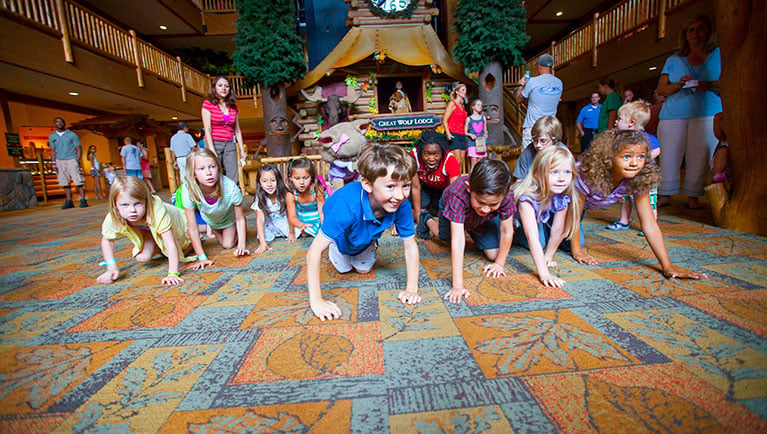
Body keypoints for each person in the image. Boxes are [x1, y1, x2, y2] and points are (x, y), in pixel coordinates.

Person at [568, 130, 707, 280]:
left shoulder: (637, 178)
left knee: (568, 239)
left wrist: (667, 267)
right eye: (627, 156)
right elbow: (574, 214)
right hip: (553, 205)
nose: (635, 163)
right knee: (555, 242)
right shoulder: (588, 174)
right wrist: (577, 252)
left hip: (574, 212)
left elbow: (649, 225)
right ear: (608, 157)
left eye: (640, 157)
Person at [306, 143, 421, 321]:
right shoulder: (347, 205)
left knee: (363, 270)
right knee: (343, 268)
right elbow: (313, 251)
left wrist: (411, 289)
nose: (400, 195)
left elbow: (410, 245)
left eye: (405, 185)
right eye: (390, 186)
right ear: (367, 184)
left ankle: (370, 241)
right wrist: (317, 301)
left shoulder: (401, 203)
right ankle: (338, 246)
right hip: (340, 235)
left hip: (365, 237)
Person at [417, 159, 516, 304]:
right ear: (469, 188)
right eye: (481, 202)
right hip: (449, 207)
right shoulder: (457, 194)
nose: (486, 209)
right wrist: (458, 286)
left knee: (494, 254)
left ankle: (471, 227)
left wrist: (499, 264)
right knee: (446, 237)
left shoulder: (506, 195)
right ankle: (427, 219)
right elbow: (457, 240)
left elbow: (507, 230)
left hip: (479, 219)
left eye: (493, 204)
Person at [655, 14, 721, 209]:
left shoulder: (719, 54)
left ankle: (694, 195)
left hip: (707, 110)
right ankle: (665, 193)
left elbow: (730, 81)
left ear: (708, 32)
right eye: (690, 30)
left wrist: (709, 84)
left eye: (700, 29)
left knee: (700, 155)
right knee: (669, 153)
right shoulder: (674, 59)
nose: (694, 33)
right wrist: (678, 85)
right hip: (674, 112)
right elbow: (661, 89)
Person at [96, 175, 192, 286]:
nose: (132, 210)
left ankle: (197, 237)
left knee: (184, 249)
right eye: (125, 205)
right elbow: (107, 239)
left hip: (181, 222)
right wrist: (111, 267)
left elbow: (170, 242)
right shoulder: (114, 215)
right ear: (115, 205)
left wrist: (172, 273)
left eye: (138, 204)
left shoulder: (156, 209)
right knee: (142, 257)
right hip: (149, 231)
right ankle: (160, 247)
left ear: (146, 200)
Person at [512, 146, 580, 287]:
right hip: (510, 222)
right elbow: (532, 237)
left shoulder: (561, 195)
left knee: (552, 241)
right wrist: (544, 273)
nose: (562, 179)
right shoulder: (527, 198)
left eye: (567, 172)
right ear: (537, 174)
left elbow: (558, 229)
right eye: (554, 172)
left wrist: (547, 257)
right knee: (539, 241)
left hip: (538, 217)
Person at [181, 148, 249, 270]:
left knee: (227, 245)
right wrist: (202, 257)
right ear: (193, 173)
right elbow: (192, 226)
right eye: (201, 169)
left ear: (218, 167)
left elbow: (240, 218)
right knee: (217, 237)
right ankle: (213, 228)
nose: (208, 173)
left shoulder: (230, 187)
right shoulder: (188, 190)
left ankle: (237, 232)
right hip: (211, 221)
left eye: (212, 166)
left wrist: (242, 245)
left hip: (229, 220)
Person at [606, 101, 661, 232]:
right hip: (626, 176)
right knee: (624, 198)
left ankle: (649, 224)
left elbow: (657, 150)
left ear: (631, 123)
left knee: (649, 202)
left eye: (619, 119)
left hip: (644, 177)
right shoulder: (621, 138)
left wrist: (640, 160)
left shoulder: (645, 138)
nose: (616, 122)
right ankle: (624, 220)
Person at [202, 75, 246, 182]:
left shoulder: (233, 106)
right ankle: (216, 197)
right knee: (215, 172)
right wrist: (212, 150)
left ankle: (232, 197)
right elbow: (207, 129)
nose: (223, 88)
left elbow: (237, 130)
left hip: (230, 143)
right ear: (214, 87)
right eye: (220, 85)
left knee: (233, 173)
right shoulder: (208, 104)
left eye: (226, 86)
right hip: (214, 142)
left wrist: (242, 150)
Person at [514, 54, 563, 148]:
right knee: (547, 159)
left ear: (539, 66)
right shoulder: (559, 83)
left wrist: (521, 85)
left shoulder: (533, 82)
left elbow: (518, 99)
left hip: (533, 127)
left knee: (528, 160)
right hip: (550, 128)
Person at [410, 130, 460, 221]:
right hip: (425, 188)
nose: (431, 159)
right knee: (412, 211)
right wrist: (418, 217)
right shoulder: (414, 156)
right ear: (421, 151)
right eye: (427, 154)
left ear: (442, 152)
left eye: (436, 154)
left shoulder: (450, 161)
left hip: (444, 191)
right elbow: (415, 187)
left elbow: (455, 192)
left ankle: (430, 210)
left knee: (443, 212)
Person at [252, 164, 297, 254]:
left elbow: (290, 214)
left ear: (278, 181)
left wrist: (291, 233)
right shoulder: (260, 197)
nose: (269, 184)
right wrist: (262, 243)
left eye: (273, 180)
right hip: (270, 225)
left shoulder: (284, 194)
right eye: (264, 181)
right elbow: (260, 219)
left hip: (285, 222)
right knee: (266, 234)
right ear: (259, 183)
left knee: (302, 232)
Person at [49, 117, 88, 209]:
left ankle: (83, 199)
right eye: (57, 122)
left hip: (71, 159)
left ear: (64, 123)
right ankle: (69, 200)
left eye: (61, 122)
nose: (59, 123)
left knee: (78, 180)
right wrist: (53, 163)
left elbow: (78, 148)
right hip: (59, 160)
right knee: (64, 182)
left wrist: (76, 160)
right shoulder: (52, 136)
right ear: (55, 124)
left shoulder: (72, 135)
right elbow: (53, 150)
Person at [512, 116, 566, 182]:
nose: (538, 145)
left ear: (555, 140)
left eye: (543, 141)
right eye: (535, 140)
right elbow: (519, 181)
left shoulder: (564, 154)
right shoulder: (527, 152)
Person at [286, 157, 326, 238]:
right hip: (302, 219)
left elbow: (322, 213)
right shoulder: (291, 194)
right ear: (290, 178)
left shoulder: (317, 189)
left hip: (318, 218)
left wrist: (324, 231)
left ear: (311, 177)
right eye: (297, 178)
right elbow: (292, 217)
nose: (301, 182)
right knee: (303, 233)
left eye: (305, 178)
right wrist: (301, 225)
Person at [442, 82, 468, 171]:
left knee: (461, 160)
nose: (465, 92)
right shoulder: (452, 104)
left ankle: (458, 180)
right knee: (456, 160)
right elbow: (445, 119)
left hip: (462, 134)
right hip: (453, 133)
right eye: (463, 90)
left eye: (465, 90)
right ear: (457, 92)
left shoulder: (463, 106)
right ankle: (454, 181)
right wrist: (448, 133)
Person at [465, 98, 488, 173]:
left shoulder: (483, 118)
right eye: (478, 105)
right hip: (472, 143)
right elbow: (465, 131)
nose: (480, 106)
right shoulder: (469, 119)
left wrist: (486, 135)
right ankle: (471, 179)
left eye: (481, 105)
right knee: (474, 162)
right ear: (473, 107)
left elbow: (485, 130)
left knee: (481, 161)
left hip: (481, 142)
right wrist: (470, 134)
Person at [710, 112, 729, 184]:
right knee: (723, 151)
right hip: (725, 154)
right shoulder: (720, 117)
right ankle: (716, 182)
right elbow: (719, 136)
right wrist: (717, 120)